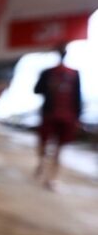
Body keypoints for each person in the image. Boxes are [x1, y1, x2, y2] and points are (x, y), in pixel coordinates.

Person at [34, 43, 82, 190]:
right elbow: (37, 89)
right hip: (56, 114)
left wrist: (77, 116)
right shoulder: (49, 73)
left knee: (55, 147)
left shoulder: (73, 73)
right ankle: (45, 168)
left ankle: (50, 176)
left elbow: (77, 96)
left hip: (63, 115)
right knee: (49, 145)